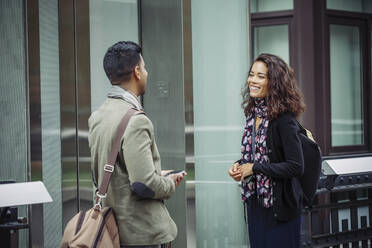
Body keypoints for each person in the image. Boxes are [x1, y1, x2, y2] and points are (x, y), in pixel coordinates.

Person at [88, 41, 185, 248]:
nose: (147, 73)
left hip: (110, 230)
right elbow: (143, 183)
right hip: (140, 234)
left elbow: (108, 171)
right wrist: (168, 183)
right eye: (145, 67)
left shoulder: (98, 116)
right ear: (137, 71)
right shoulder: (136, 120)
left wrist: (157, 174)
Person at [228, 53, 306, 248]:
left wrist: (254, 168)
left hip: (279, 210)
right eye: (251, 74)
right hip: (255, 204)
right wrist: (240, 165)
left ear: (275, 83)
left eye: (261, 76)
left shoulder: (284, 120)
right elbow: (261, 153)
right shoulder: (253, 115)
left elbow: (296, 166)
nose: (253, 80)